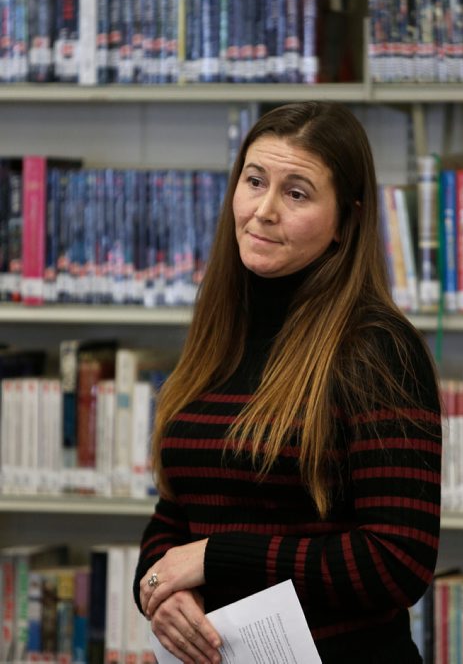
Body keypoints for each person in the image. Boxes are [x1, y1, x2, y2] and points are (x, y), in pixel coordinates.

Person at [133, 101, 442, 664]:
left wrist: (214, 558)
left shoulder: (375, 347)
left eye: (296, 193)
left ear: (345, 223)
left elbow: (397, 562)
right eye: (254, 181)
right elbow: (178, 509)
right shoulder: (222, 331)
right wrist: (159, 589)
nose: (264, 210)